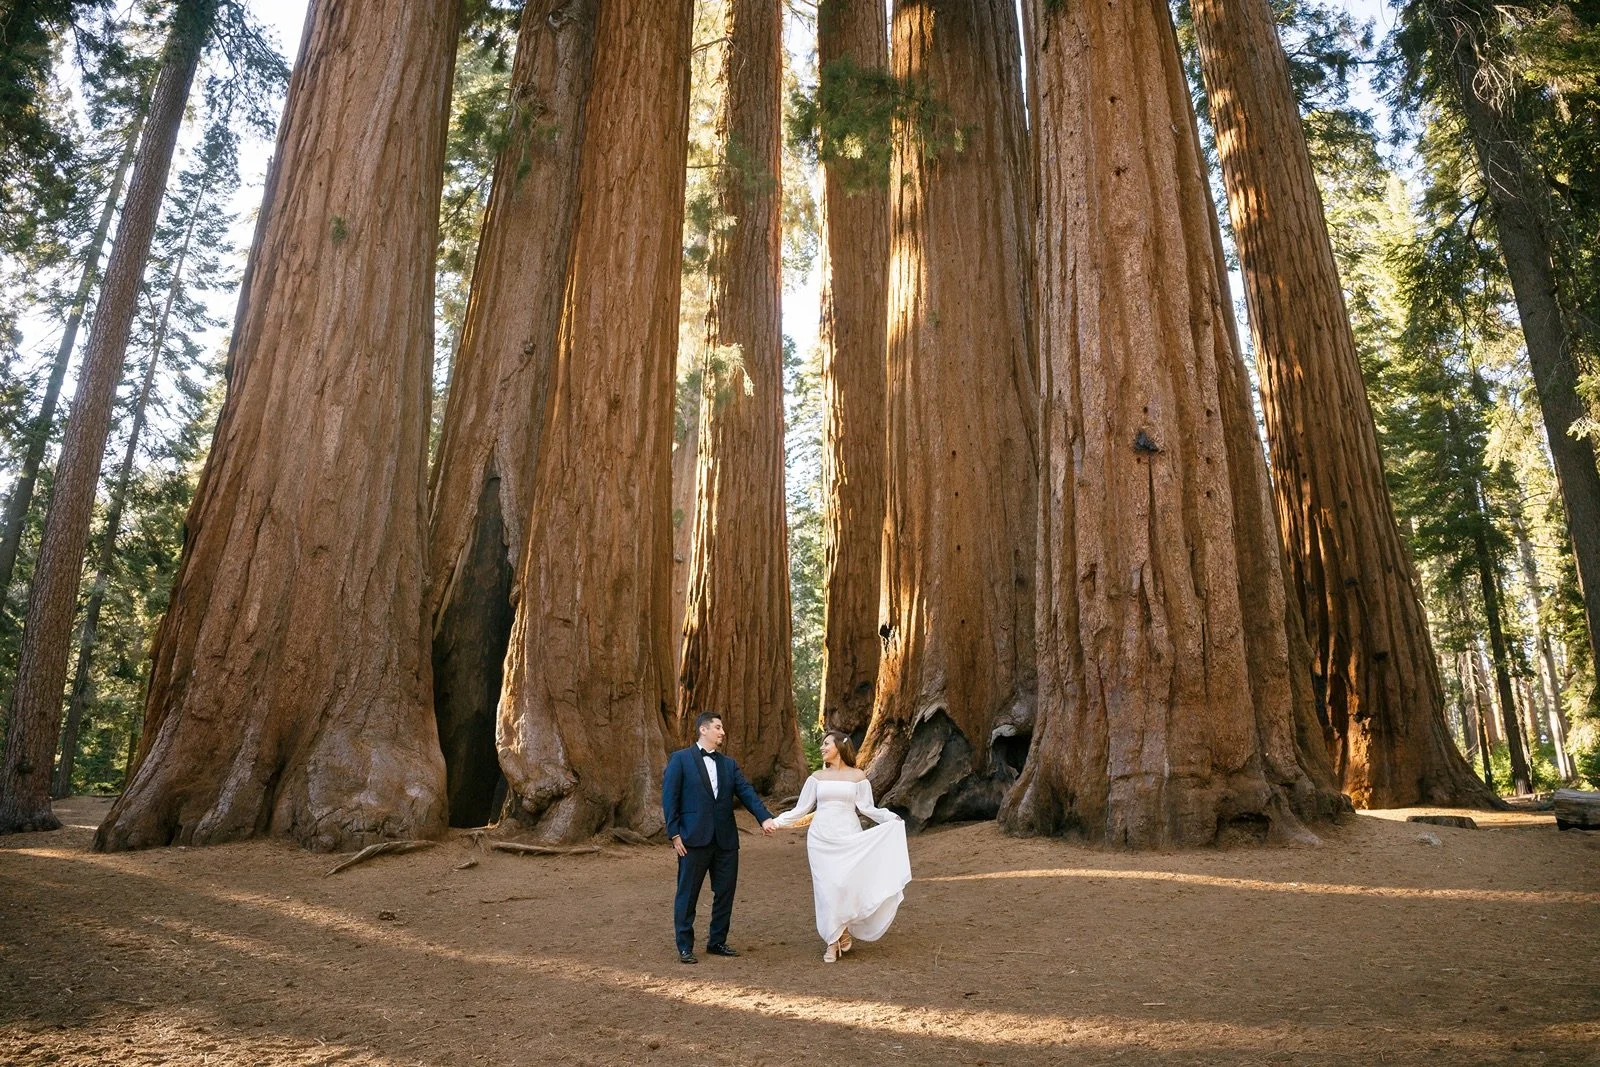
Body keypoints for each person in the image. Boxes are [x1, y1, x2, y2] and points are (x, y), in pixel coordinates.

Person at [771, 731, 911, 962]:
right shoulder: (816, 777)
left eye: (826, 743)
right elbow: (801, 809)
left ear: (840, 746)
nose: (822, 748)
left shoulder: (858, 776)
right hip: (821, 839)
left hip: (848, 836)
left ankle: (842, 929)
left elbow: (867, 808)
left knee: (844, 885)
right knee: (826, 889)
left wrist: (889, 818)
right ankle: (832, 940)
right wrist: (776, 822)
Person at [662, 711, 778, 964]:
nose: (722, 732)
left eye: (722, 728)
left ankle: (717, 941)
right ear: (703, 730)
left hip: (725, 840)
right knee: (687, 894)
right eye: (718, 727)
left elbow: (746, 792)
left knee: (725, 892)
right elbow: (670, 798)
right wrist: (674, 834)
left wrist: (764, 818)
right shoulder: (680, 759)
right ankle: (685, 946)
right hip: (692, 839)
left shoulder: (729, 764)